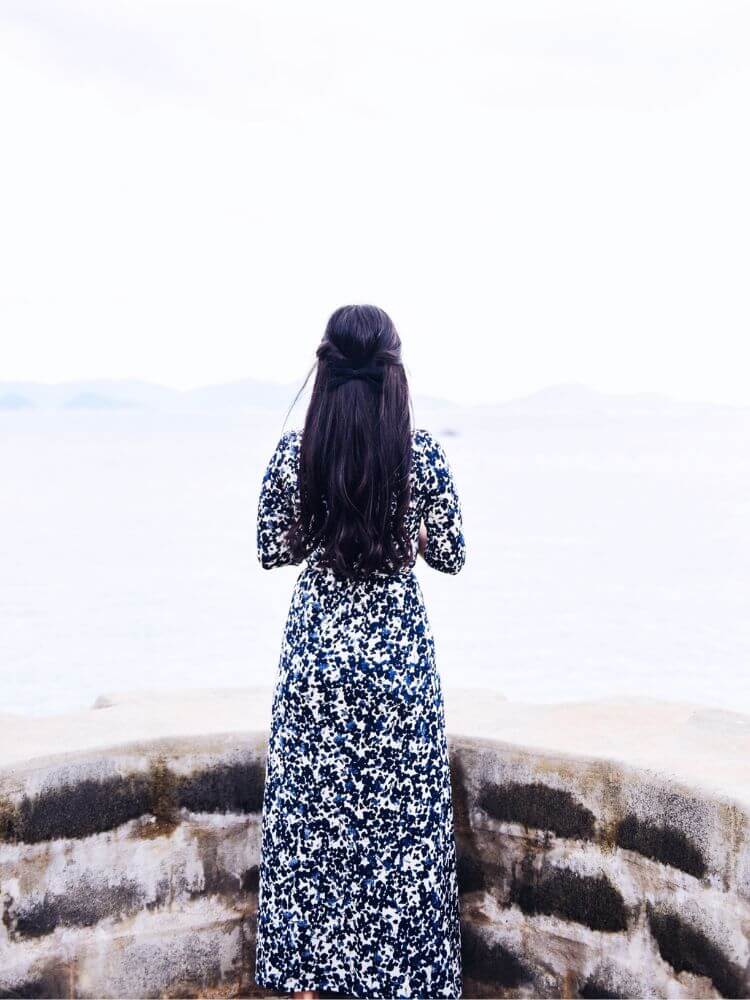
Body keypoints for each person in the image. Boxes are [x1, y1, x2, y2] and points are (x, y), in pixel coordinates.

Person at [254, 304, 466, 999]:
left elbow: (271, 549)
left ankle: (309, 985)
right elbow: (454, 556)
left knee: (311, 837)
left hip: (318, 662)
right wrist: (408, 533)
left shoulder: (297, 453)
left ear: (325, 370)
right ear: (392, 375)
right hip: (398, 667)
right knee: (403, 846)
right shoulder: (420, 453)